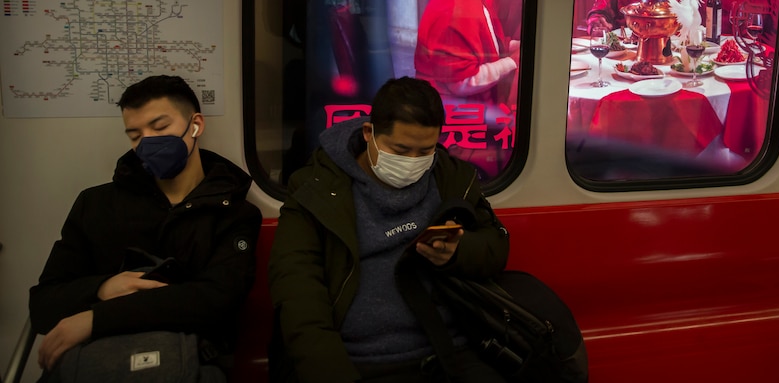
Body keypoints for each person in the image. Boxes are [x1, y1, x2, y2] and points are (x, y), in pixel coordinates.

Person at [268, 76, 510, 383]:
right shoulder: (316, 190)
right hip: (361, 359)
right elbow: (297, 295)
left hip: (449, 349)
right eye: (401, 149)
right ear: (369, 133)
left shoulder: (450, 177)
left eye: (425, 151)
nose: (413, 162)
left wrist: (459, 251)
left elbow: (496, 246)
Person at [29, 75, 262, 381]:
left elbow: (215, 302)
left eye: (160, 127)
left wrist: (97, 318)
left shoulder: (234, 213)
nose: (148, 142)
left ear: (195, 125)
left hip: (188, 362)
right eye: (135, 135)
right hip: (98, 362)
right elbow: (44, 303)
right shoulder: (95, 205)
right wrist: (102, 287)